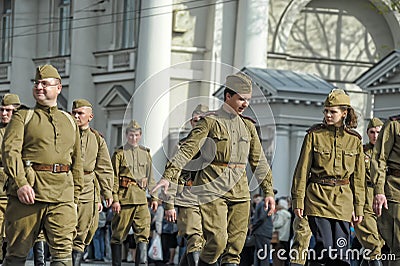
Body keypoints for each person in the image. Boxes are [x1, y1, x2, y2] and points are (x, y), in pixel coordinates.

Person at [152, 72, 276, 266]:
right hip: (212, 190)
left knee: (235, 247)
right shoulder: (209, 122)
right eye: (241, 99)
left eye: (248, 100)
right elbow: (187, 151)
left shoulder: (249, 127)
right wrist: (168, 176)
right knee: (217, 242)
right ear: (228, 96)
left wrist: (268, 191)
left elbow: (259, 161)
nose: (245, 104)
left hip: (240, 192)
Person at [1, 64, 84, 265]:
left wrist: (75, 197)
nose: (39, 87)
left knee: (64, 254)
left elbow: (77, 162)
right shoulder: (23, 116)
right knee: (16, 254)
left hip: (62, 195)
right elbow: (10, 152)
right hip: (29, 195)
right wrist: (20, 183)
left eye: (45, 84)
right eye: (37, 83)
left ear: (58, 88)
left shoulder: (69, 120)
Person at [291, 89, 366, 266]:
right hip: (317, 198)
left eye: (333, 111)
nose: (328, 115)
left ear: (344, 113)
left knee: (341, 253)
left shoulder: (354, 140)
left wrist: (359, 207)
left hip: (343, 201)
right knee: (325, 247)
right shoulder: (314, 135)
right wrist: (298, 201)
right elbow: (301, 171)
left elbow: (359, 179)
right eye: (326, 111)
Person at [70, 99, 114, 265]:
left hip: (88, 188)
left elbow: (104, 167)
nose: (76, 116)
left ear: (90, 116)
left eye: (80, 113)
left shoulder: (97, 139)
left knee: (85, 230)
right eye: (74, 113)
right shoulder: (66, 135)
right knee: (64, 229)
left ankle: (76, 260)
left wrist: (107, 192)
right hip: (66, 186)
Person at [164, 104, 209, 266]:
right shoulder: (182, 146)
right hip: (189, 195)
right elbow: (173, 174)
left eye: (203, 121)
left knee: (208, 243)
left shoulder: (214, 146)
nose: (199, 124)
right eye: (196, 120)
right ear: (191, 122)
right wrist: (169, 204)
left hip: (211, 199)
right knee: (195, 238)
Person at [110, 120, 158, 266]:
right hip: (124, 200)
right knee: (118, 235)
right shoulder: (119, 154)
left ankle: (142, 264)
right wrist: (115, 199)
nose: (134, 138)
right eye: (131, 135)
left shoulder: (145, 153)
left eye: (136, 135)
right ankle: (116, 263)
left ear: (140, 135)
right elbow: (114, 178)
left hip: (141, 200)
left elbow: (151, 177)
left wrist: (154, 197)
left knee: (143, 235)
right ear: (126, 135)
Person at [353, 118, 384, 266]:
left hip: (384, 201)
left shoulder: (391, 154)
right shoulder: (361, 152)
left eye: (378, 132)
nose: (375, 136)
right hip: (365, 199)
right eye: (372, 132)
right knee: (372, 243)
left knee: (379, 242)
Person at [371, 114, 400, 265]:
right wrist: (379, 191)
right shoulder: (394, 125)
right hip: (396, 190)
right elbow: (379, 158)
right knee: (398, 246)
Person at [0, 93, 23, 263]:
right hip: (0, 190)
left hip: (19, 189)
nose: (4, 114)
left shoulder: (25, 130)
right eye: (1, 110)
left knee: (16, 232)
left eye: (8, 110)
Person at [251, 195, 273, 266]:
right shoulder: (265, 204)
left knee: (261, 253)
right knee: (263, 254)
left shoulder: (263, 204)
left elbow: (261, 218)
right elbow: (262, 217)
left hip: (261, 232)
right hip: (263, 232)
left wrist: (253, 226)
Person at [272, 198, 292, 266]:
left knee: (277, 256)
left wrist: (272, 223)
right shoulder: (288, 214)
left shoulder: (280, 213)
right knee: (282, 256)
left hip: (279, 237)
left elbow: (278, 223)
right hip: (285, 237)